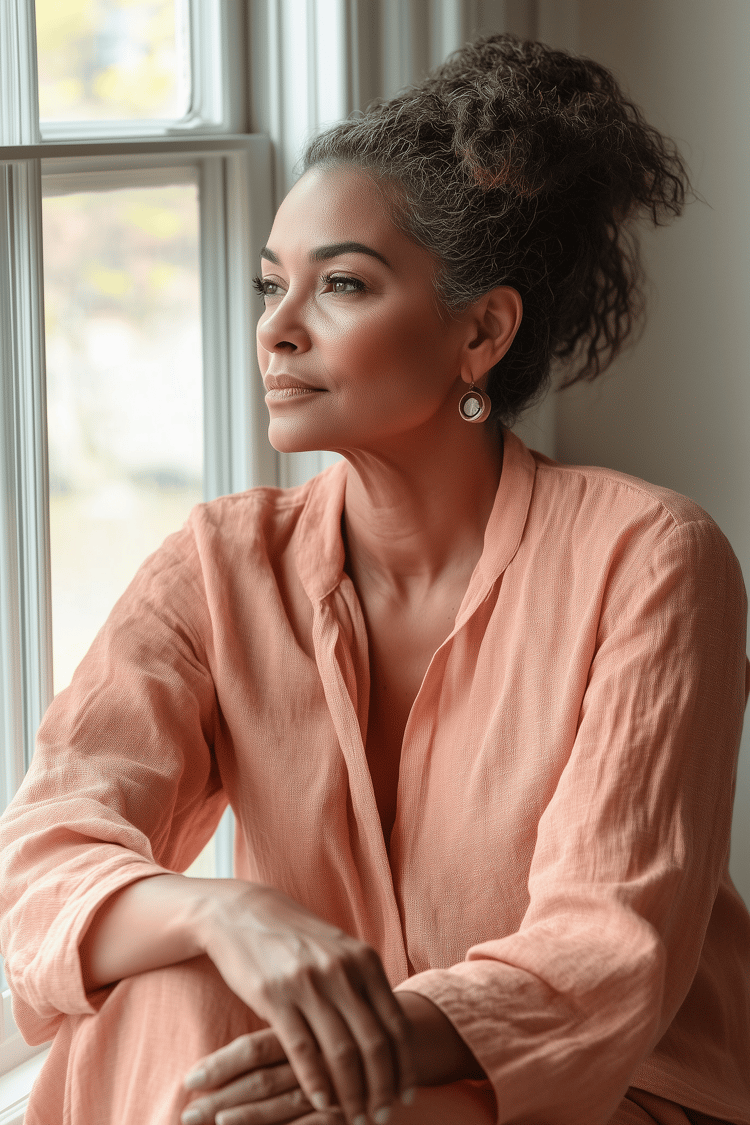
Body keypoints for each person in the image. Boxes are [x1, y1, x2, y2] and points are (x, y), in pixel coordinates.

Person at [1, 31, 749, 1125]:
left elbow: (605, 951)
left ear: (482, 331)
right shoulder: (219, 566)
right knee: (167, 993)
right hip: (314, 1089)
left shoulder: (649, 560)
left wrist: (346, 1060)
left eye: (341, 284)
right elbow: (43, 863)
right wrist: (225, 917)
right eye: (270, 285)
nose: (277, 330)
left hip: (580, 1091)